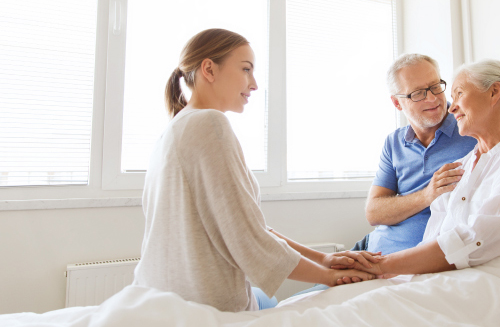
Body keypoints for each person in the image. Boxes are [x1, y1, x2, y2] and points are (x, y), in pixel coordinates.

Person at [133, 28, 375, 313]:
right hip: (202, 307)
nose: (254, 84)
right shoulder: (209, 124)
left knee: (267, 299)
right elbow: (247, 238)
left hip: (157, 298)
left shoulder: (174, 128)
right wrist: (330, 277)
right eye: (246, 69)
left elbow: (247, 226)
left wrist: (323, 259)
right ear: (209, 69)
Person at [356, 59, 500, 279]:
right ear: (397, 103)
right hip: (381, 252)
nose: (450, 105)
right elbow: (379, 214)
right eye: (418, 93)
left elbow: (476, 238)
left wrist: (382, 268)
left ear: (494, 93)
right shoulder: (463, 163)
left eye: (440, 88)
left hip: (419, 266)